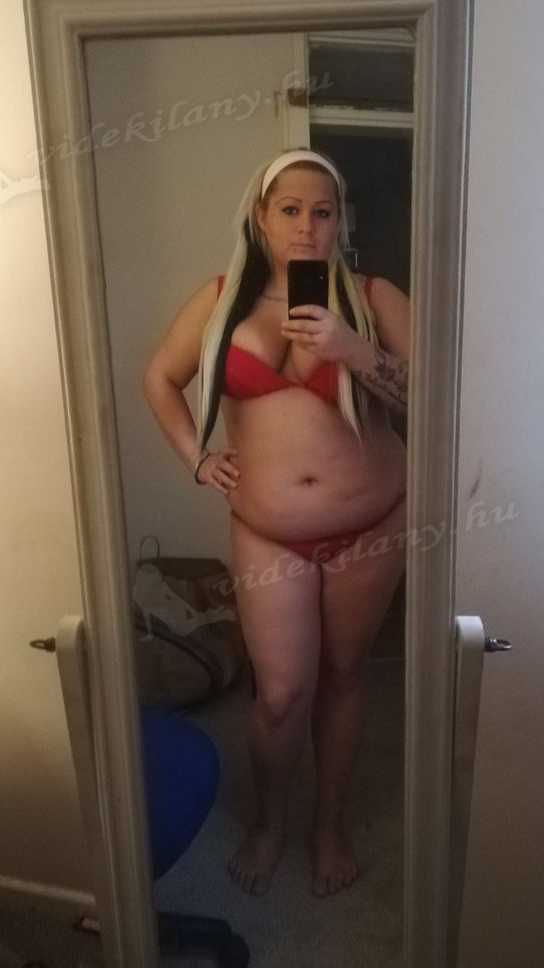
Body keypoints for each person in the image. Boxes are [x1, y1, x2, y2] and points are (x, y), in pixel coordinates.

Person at [142, 147, 410, 898]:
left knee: (345, 678)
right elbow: (160, 377)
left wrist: (354, 350)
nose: (306, 226)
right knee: (282, 693)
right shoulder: (220, 299)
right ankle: (269, 821)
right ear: (260, 218)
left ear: (339, 221)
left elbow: (435, 394)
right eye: (290, 210)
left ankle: (329, 824)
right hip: (269, 534)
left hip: (372, 524)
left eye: (322, 212)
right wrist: (197, 457)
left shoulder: (373, 296)